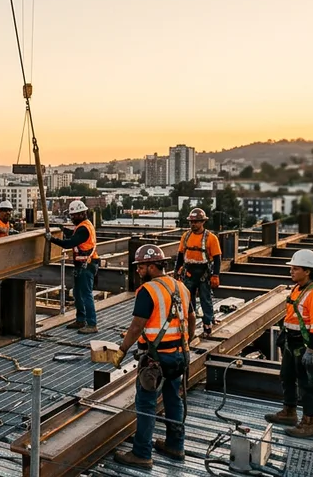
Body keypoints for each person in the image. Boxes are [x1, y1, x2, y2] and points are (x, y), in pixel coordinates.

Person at [112, 244, 194, 469]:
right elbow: (192, 319)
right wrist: (185, 342)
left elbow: (137, 325)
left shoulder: (147, 291)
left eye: (140, 266)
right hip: (179, 356)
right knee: (173, 399)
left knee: (146, 404)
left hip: (155, 359)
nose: (137, 271)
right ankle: (176, 446)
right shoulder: (181, 287)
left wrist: (122, 349)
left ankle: (141, 454)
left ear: (151, 266)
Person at [264, 249, 313, 438]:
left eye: (295, 268)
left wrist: (311, 350)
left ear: (308, 271)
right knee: (287, 376)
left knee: (307, 384)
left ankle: (310, 423)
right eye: (291, 268)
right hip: (292, 342)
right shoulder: (297, 288)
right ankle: (289, 412)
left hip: (306, 344)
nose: (291, 271)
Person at [46, 200, 100, 333]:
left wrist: (52, 239)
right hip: (83, 265)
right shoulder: (84, 225)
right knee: (77, 293)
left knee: (86, 294)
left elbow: (69, 243)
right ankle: (81, 320)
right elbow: (74, 236)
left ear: (81, 214)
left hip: (86, 265)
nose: (72, 218)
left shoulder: (83, 228)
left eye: (74, 215)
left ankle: (91, 324)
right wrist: (63, 229)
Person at [176, 208, 223, 337]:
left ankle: (207, 324)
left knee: (205, 299)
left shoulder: (210, 238)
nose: (193, 224)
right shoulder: (186, 236)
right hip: (189, 272)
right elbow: (180, 255)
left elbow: (217, 258)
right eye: (192, 222)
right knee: (187, 300)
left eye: (196, 222)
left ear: (203, 222)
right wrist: (177, 273)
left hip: (203, 273)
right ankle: (188, 325)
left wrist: (216, 275)